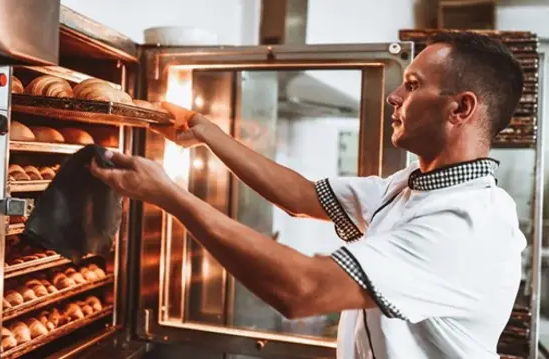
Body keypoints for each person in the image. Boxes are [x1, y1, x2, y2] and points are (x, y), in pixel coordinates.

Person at [90, 32, 526, 359]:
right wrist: (205, 132)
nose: (395, 96)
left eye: (412, 85)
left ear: (461, 109)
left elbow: (302, 290)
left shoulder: (468, 225)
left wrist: (169, 195)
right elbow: (300, 196)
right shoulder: (409, 186)